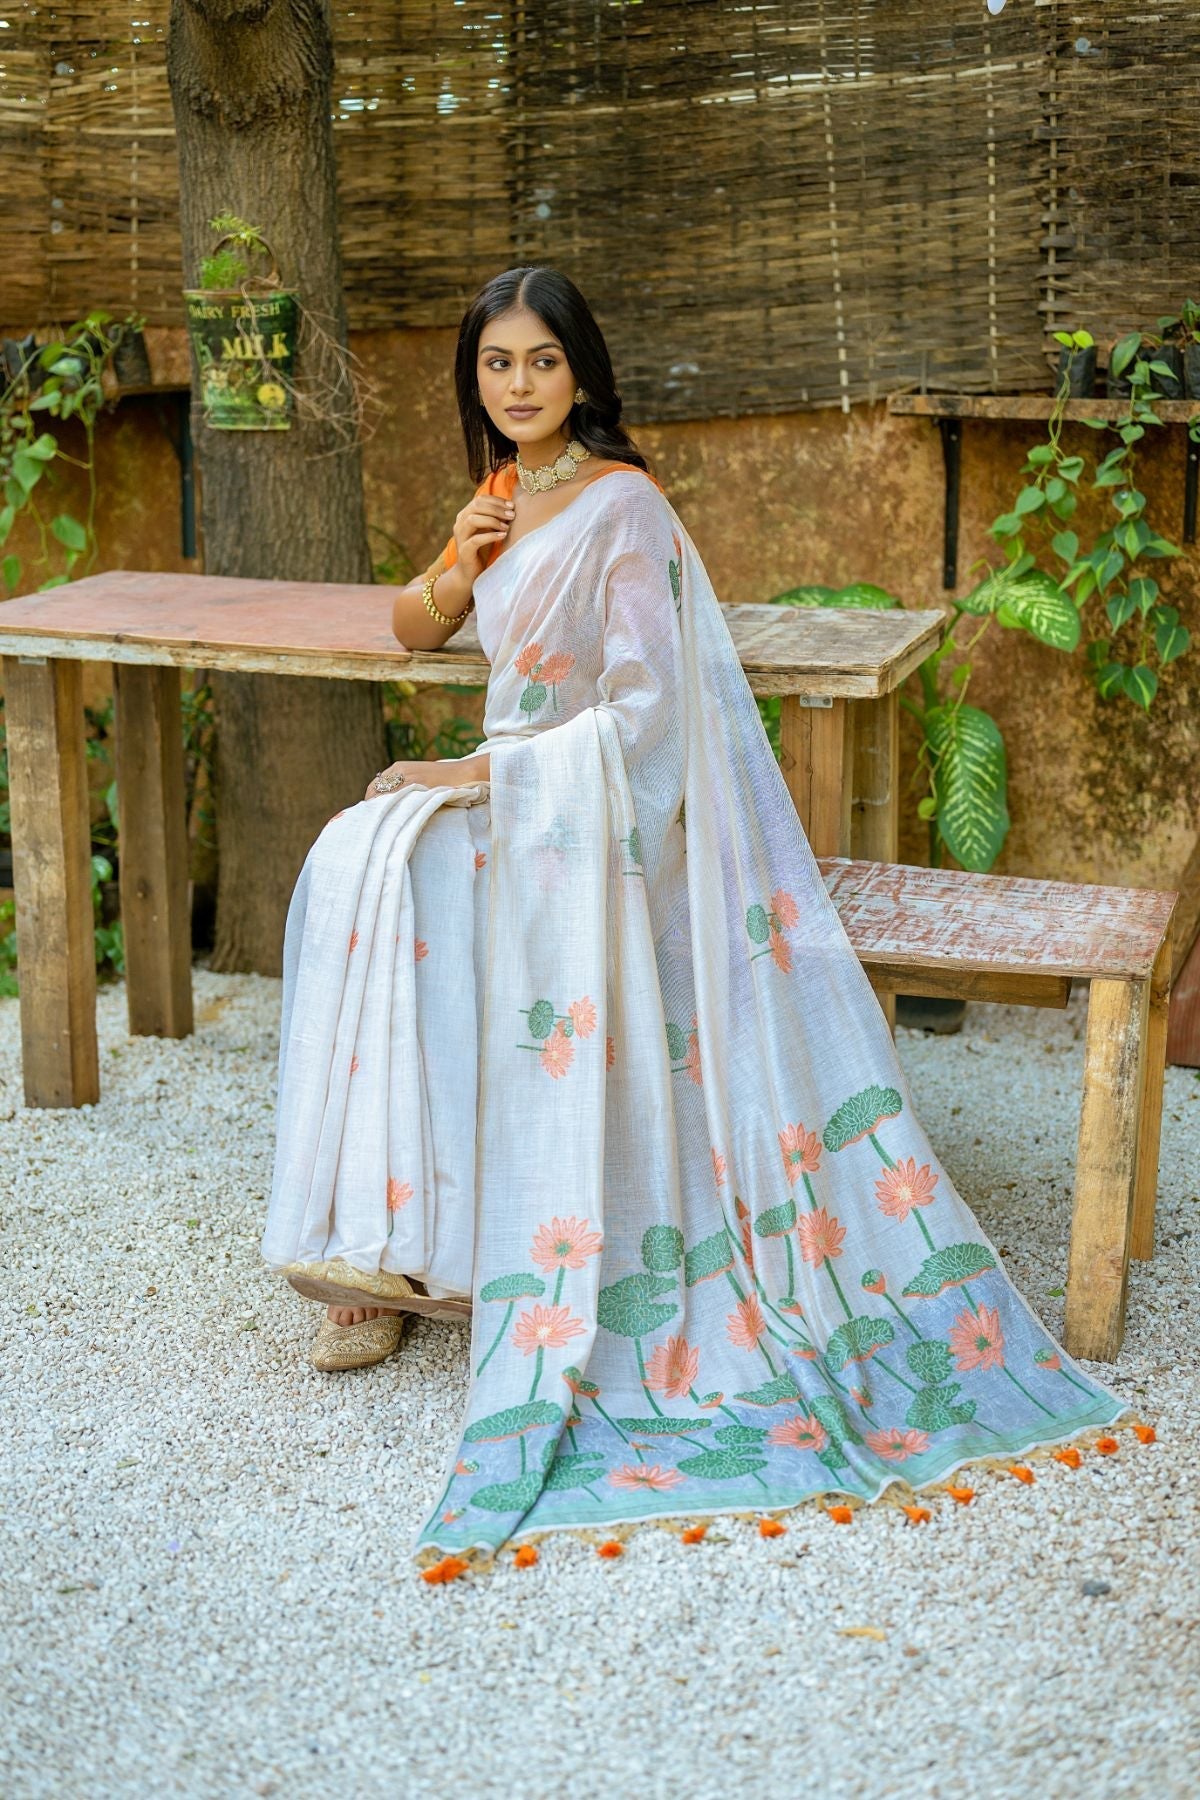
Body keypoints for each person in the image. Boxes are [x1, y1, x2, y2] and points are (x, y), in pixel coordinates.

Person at [262, 265, 1132, 1570]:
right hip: (517, 796)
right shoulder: (503, 498)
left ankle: (453, 1247)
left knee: (418, 870)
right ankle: (386, 1253)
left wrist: (482, 772)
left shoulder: (626, 510)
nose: (518, 386)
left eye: (540, 363)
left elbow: (646, 724)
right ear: (474, 383)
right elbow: (411, 628)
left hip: (592, 817)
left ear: (584, 375)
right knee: (353, 863)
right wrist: (455, 560)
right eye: (496, 365)